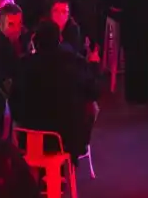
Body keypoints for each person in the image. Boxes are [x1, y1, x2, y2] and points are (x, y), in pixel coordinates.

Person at [10, 21, 101, 159]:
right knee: (91, 107)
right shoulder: (75, 62)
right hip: (68, 139)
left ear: (35, 40)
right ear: (60, 39)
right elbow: (94, 92)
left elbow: (14, 104)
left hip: (32, 138)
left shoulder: (25, 65)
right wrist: (94, 67)